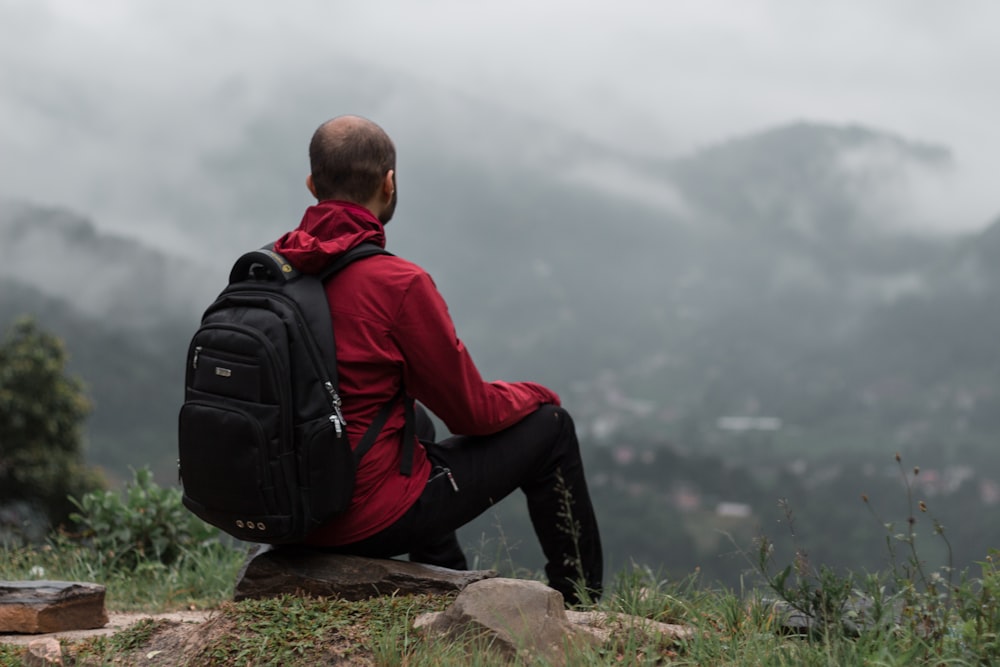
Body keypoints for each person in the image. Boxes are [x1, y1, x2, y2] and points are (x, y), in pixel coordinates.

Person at [272, 114, 603, 605]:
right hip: (361, 518)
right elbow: (474, 414)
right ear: (389, 184)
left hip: (285, 512)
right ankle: (580, 606)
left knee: (414, 422)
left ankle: (445, 581)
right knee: (552, 428)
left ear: (312, 185)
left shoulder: (268, 270)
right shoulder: (396, 284)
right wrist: (537, 395)